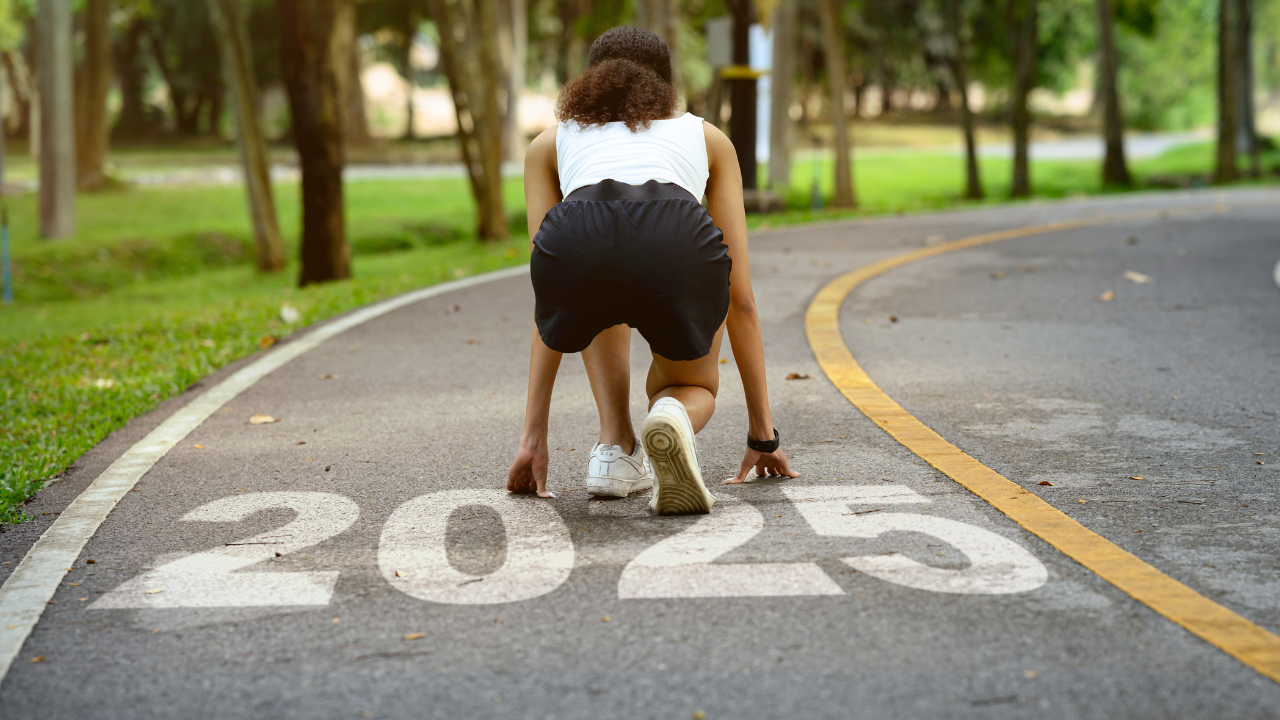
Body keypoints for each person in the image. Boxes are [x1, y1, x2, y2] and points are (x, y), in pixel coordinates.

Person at [506, 26, 796, 514]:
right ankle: (672, 414)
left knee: (594, 284)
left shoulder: (549, 143)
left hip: (581, 236)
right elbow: (739, 295)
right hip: (676, 233)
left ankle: (613, 451)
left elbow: (552, 296)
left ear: (591, 80)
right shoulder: (707, 137)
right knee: (693, 384)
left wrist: (533, 438)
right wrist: (762, 435)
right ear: (665, 83)